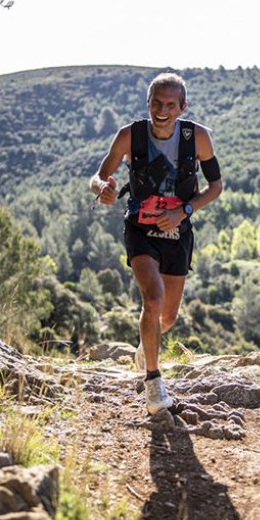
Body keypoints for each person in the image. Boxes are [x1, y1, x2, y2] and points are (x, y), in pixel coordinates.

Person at [90, 73, 223, 414]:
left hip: (178, 233)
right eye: (156, 103)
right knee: (153, 299)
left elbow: (215, 186)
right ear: (148, 102)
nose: (162, 110)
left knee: (167, 317)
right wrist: (101, 189)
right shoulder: (129, 135)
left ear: (182, 107)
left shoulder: (198, 137)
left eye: (170, 104)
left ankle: (144, 345)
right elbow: (99, 175)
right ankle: (153, 382)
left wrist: (185, 210)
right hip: (140, 230)